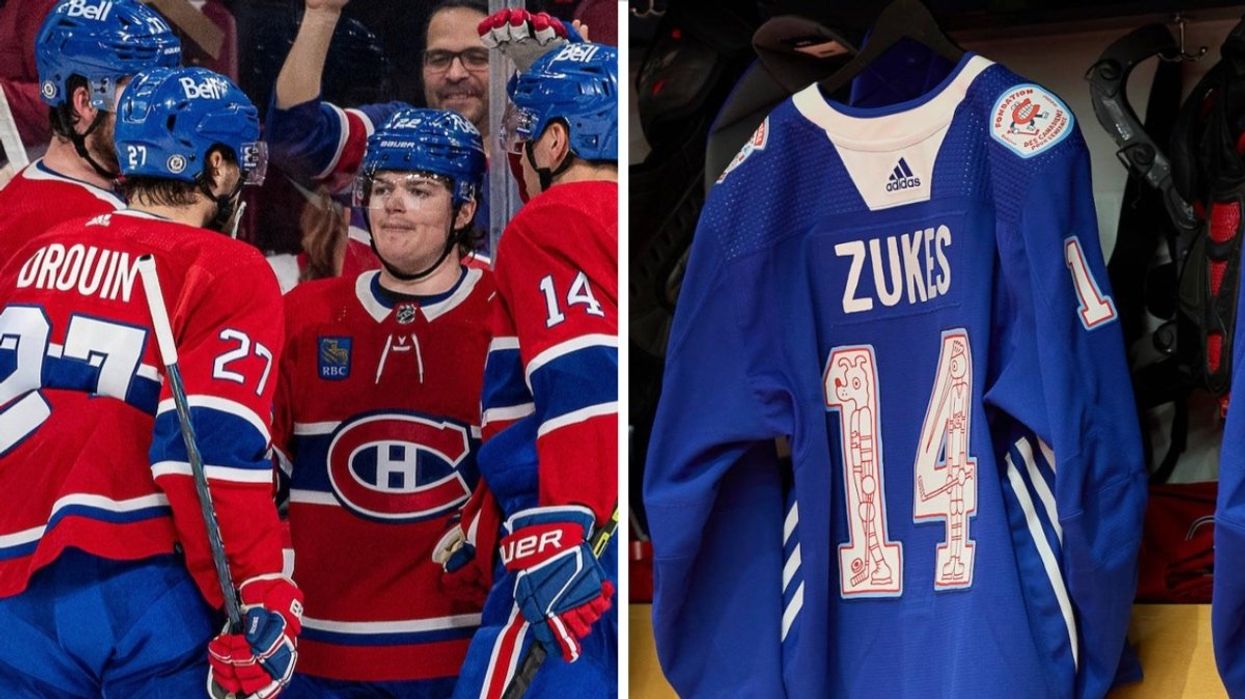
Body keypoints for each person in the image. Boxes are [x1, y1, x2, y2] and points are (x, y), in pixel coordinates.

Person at [0, 65, 302, 698]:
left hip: (11, 584)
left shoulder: (36, 252)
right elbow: (207, 447)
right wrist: (255, 591)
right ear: (214, 167)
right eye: (238, 166)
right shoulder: (225, 266)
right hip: (138, 580)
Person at [273, 107, 494, 698]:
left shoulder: (506, 311)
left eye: (420, 190)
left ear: (466, 210)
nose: (394, 204)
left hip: (460, 648)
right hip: (318, 647)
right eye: (383, 188)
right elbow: (258, 470)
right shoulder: (305, 313)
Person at [446, 41, 619, 698]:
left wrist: (569, 525)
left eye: (524, 132)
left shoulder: (553, 218)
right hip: (608, 515)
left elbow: (585, 382)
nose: (513, 154)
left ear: (556, 140)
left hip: (572, 535)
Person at [0, 0, 180, 262]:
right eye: (141, 94)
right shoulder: (128, 233)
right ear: (85, 103)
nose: (160, 113)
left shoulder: (10, 200)